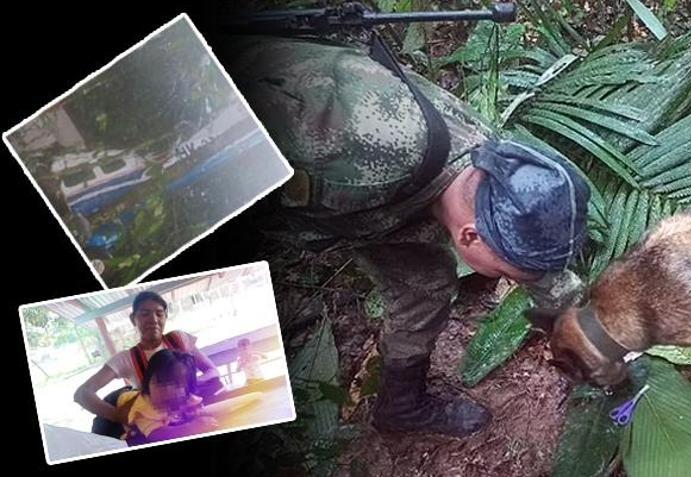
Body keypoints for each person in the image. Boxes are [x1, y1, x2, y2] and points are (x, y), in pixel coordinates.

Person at [221, 35, 590, 438]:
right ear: (469, 237)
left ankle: (400, 407)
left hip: (366, 207)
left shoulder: (495, 169)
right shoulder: (357, 152)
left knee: (424, 286)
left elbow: (538, 268)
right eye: (510, 273)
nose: (519, 279)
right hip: (219, 167)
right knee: (199, 362)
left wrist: (590, 331)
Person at [74, 291, 223, 437]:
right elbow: (82, 394)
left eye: (159, 313)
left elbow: (213, 371)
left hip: (188, 415)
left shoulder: (179, 339)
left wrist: (187, 389)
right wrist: (117, 415)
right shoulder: (126, 358)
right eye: (145, 314)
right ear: (133, 319)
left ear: (166, 316)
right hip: (159, 426)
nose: (153, 319)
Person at [116, 349, 219, 445]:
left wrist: (203, 417)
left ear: (188, 388)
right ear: (147, 383)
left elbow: (201, 411)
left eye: (177, 384)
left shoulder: (188, 399)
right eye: (160, 382)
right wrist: (191, 428)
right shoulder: (143, 408)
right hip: (120, 399)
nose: (167, 390)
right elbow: (155, 434)